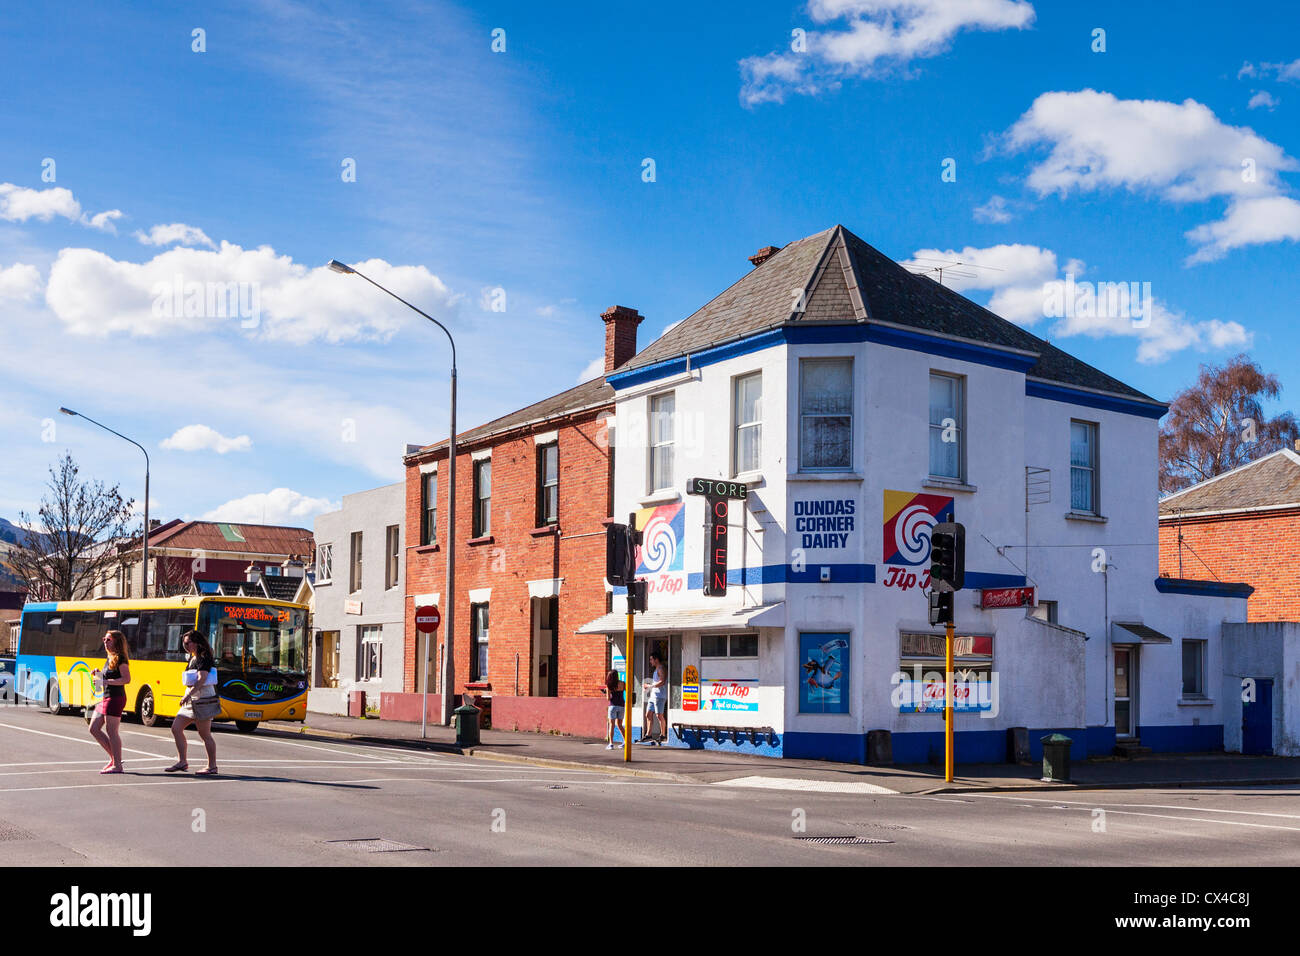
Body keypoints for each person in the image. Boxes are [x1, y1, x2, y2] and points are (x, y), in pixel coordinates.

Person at [166, 630, 220, 775]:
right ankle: (182, 761)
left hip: (202, 699)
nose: (185, 646)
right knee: (176, 728)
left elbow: (201, 679)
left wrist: (188, 695)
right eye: (183, 643)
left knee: (205, 734)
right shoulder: (193, 657)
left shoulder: (204, 657)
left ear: (196, 642)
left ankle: (212, 766)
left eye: (187, 643)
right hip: (192, 699)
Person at [89, 630, 131, 774]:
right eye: (104, 639)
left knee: (111, 731)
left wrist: (105, 680)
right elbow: (102, 684)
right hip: (106, 697)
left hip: (115, 698)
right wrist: (98, 674)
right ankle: (114, 759)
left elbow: (126, 679)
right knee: (93, 728)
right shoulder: (110, 657)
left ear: (116, 642)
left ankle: (117, 765)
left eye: (108, 640)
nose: (105, 642)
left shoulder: (120, 659)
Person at [641, 652, 668, 745]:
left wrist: (649, 686)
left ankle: (663, 734)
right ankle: (648, 735)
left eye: (651, 659)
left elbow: (662, 681)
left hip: (660, 696)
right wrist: (649, 688)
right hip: (653, 696)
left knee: (659, 715)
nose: (650, 661)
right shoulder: (656, 669)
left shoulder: (660, 668)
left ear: (656, 659)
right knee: (648, 714)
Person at [603, 669, 625, 750]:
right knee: (620, 725)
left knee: (612, 725)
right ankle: (626, 741)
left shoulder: (609, 685)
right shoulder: (622, 683)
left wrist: (606, 692)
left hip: (613, 706)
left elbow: (608, 698)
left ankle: (611, 744)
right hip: (622, 706)